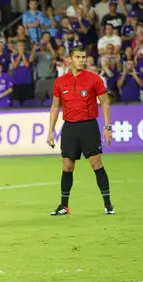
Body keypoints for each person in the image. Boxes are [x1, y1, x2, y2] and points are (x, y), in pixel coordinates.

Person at [47, 46, 114, 216]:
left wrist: (107, 127)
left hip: (89, 126)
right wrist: (51, 131)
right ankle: (64, 206)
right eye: (78, 57)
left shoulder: (94, 79)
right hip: (69, 127)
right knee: (67, 166)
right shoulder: (60, 82)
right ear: (70, 59)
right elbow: (55, 106)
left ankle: (108, 204)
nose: (82, 60)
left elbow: (105, 103)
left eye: (83, 57)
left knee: (96, 164)